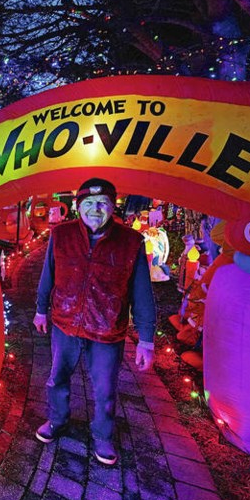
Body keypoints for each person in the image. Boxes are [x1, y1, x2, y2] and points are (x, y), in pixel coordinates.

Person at [33, 178, 156, 465]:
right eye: (88, 203)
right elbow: (47, 275)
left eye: (102, 203)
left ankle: (102, 436)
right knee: (57, 378)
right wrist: (41, 309)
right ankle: (57, 420)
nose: (95, 209)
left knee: (105, 390)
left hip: (107, 331)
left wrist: (147, 339)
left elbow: (142, 293)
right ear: (78, 207)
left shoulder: (131, 242)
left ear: (113, 206)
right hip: (65, 324)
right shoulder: (60, 235)